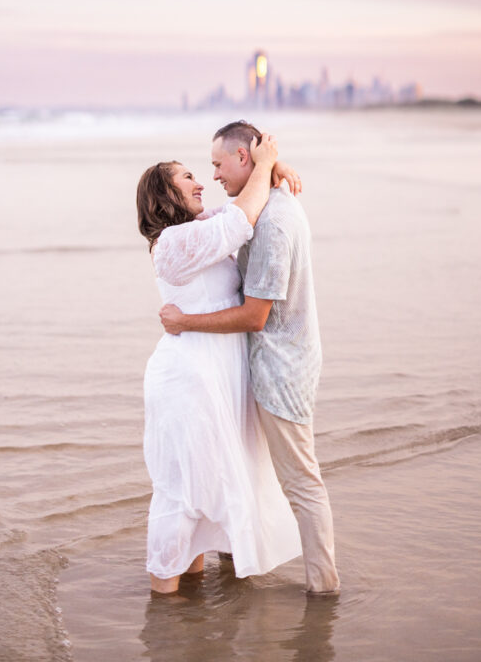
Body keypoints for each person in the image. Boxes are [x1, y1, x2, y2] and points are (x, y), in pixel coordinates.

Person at [160, 120, 340, 595]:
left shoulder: (274, 223)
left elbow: (256, 316)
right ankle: (236, 568)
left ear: (244, 159)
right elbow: (220, 220)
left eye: (218, 164)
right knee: (237, 470)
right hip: (262, 369)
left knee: (301, 483)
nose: (212, 174)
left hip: (282, 371)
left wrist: (184, 322)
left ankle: (325, 591)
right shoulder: (261, 206)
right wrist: (274, 164)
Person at [136, 133, 301, 595]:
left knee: (207, 486)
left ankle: (190, 606)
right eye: (188, 176)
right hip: (187, 381)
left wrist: (274, 168)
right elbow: (240, 219)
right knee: (181, 491)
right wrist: (267, 160)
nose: (201, 181)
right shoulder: (172, 243)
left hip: (215, 377)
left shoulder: (199, 228)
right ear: (165, 193)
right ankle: (165, 613)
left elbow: (243, 206)